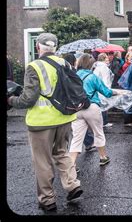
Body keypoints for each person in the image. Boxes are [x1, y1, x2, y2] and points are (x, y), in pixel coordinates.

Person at [7, 33, 82, 211]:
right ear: (55, 47)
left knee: (43, 161)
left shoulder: (34, 66)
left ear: (38, 47)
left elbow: (28, 100)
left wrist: (11, 100)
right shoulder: (65, 63)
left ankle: (47, 199)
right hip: (65, 118)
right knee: (62, 153)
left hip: (41, 122)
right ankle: (72, 185)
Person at [69, 54, 117, 170]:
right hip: (92, 107)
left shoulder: (72, 76)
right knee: (98, 132)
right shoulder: (93, 77)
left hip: (76, 109)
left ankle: (71, 165)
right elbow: (106, 92)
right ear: (91, 65)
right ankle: (103, 157)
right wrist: (119, 92)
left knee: (77, 137)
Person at [92, 53, 114, 128]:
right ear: (103, 59)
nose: (108, 60)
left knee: (100, 106)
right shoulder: (104, 67)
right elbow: (105, 80)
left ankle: (101, 122)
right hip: (102, 90)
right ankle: (104, 122)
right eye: (107, 58)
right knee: (104, 106)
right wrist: (107, 90)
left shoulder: (97, 67)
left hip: (97, 89)